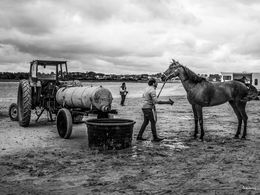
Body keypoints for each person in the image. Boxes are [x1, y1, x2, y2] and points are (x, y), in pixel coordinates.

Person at [137, 78, 174, 142]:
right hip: (148, 108)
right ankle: (155, 137)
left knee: (145, 122)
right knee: (153, 122)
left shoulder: (147, 88)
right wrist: (168, 102)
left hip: (144, 107)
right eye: (156, 82)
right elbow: (157, 102)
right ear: (153, 83)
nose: (157, 83)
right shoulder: (152, 90)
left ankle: (139, 136)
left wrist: (152, 100)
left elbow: (144, 96)